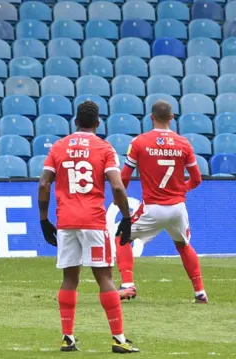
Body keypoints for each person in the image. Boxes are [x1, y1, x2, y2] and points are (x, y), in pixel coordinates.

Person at [38, 101, 139, 353]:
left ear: (75, 122)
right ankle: (118, 338)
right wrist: (126, 218)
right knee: (104, 277)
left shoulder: (59, 147)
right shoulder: (105, 148)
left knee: (69, 279)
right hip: (93, 220)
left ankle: (67, 337)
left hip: (66, 221)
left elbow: (43, 184)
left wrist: (43, 219)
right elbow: (117, 187)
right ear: (97, 122)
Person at [116, 100, 206, 303]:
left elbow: (124, 178)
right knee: (183, 245)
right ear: (172, 118)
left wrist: (118, 199)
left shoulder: (139, 142)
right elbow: (197, 179)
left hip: (153, 207)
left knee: (121, 236)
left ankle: (128, 284)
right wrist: (184, 188)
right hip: (177, 208)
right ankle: (200, 292)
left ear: (151, 117)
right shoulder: (184, 143)